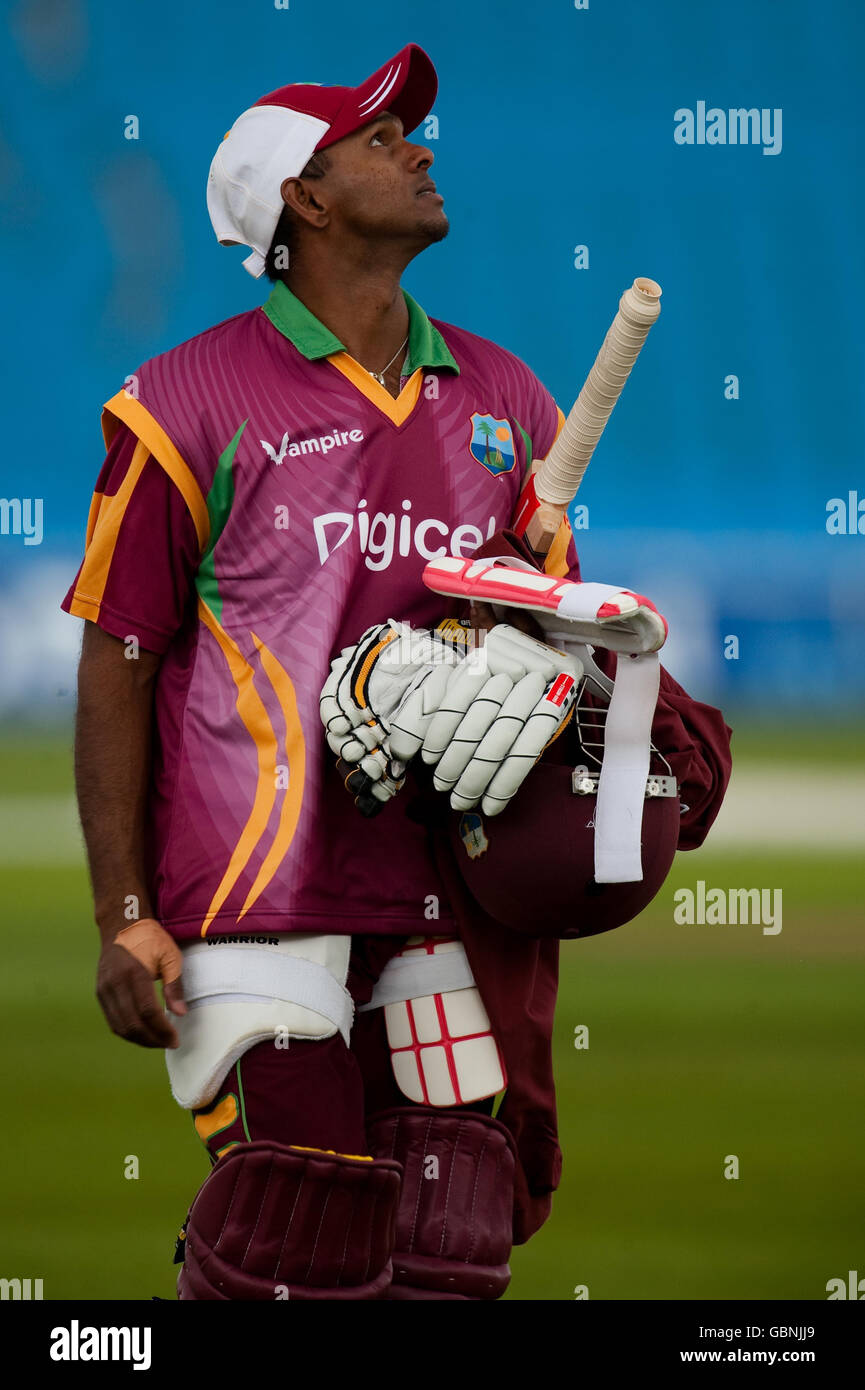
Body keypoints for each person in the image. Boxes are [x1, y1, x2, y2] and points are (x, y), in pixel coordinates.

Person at [62, 42, 732, 1300]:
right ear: (301, 200)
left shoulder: (507, 396)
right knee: (296, 1249)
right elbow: (119, 655)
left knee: (449, 1253)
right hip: (259, 896)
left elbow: (548, 628)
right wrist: (121, 911)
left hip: (443, 897)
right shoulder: (182, 401)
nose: (419, 150)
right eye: (380, 140)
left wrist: (563, 654)